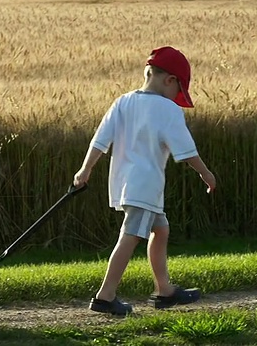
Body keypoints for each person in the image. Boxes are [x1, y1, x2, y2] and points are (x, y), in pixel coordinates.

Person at [73, 46, 217, 315]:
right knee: (130, 236)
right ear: (170, 80)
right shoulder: (168, 109)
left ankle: (165, 290)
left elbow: (100, 141)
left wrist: (85, 170)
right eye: (180, 90)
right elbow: (187, 151)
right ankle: (105, 295)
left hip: (125, 183)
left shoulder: (123, 101)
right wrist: (205, 173)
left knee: (160, 230)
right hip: (146, 187)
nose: (178, 97)